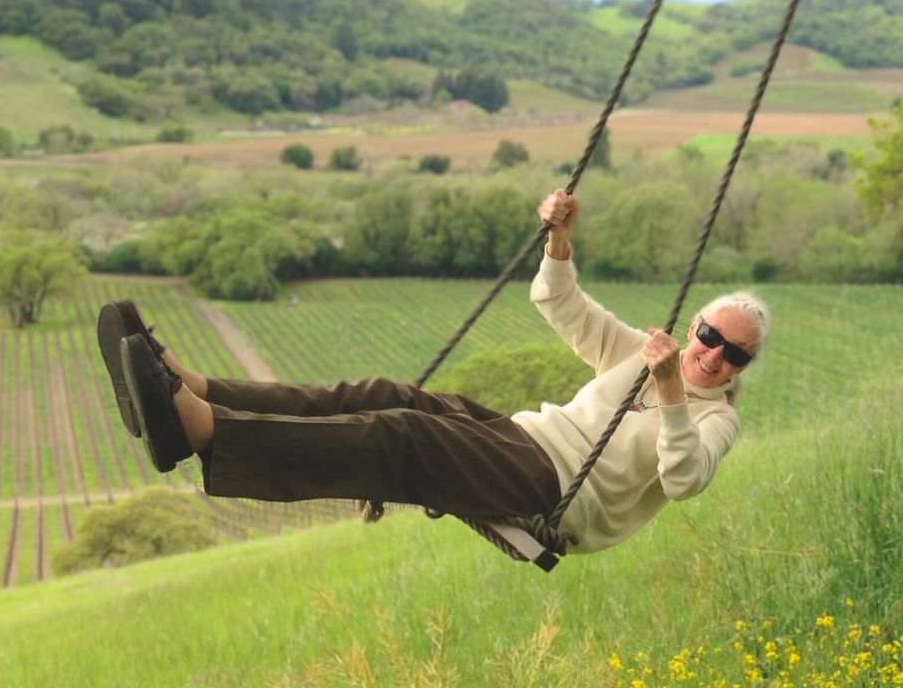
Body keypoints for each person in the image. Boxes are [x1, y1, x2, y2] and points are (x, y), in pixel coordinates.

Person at [97, 189, 767, 554]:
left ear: (741, 366)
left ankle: (204, 430)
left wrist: (674, 392)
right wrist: (559, 240)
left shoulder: (715, 418)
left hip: (557, 493)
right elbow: (562, 303)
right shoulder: (642, 353)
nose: (712, 353)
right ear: (695, 327)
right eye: (708, 334)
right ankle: (195, 387)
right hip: (524, 439)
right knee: (385, 396)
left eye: (732, 352)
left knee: (402, 436)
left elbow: (685, 479)